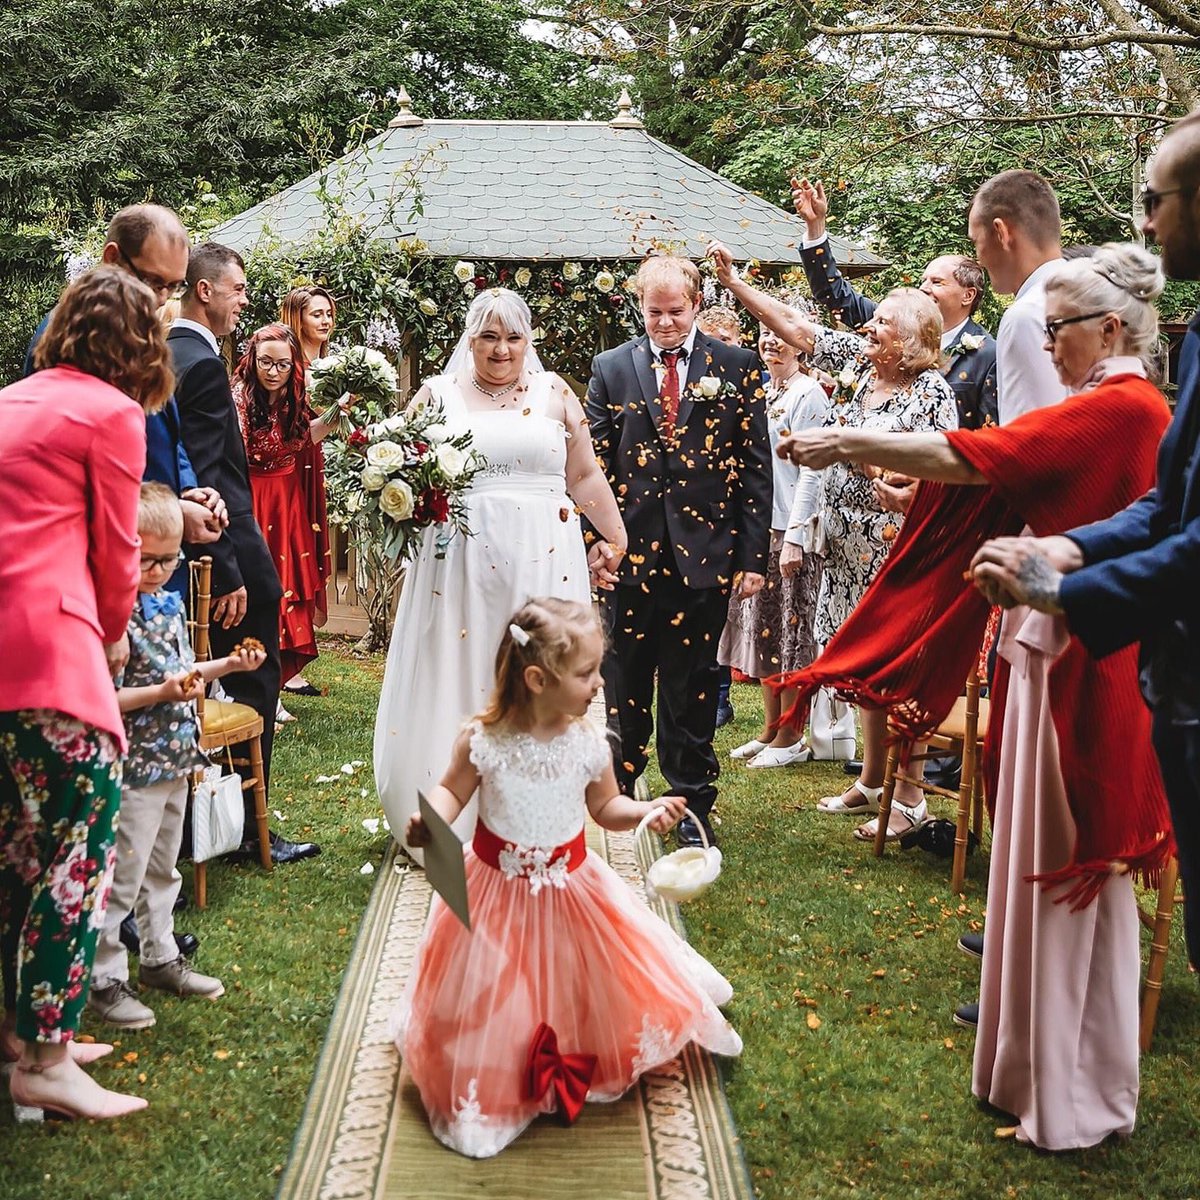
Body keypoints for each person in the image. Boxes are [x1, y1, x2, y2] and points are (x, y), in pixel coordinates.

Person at [779, 243, 1174, 1149]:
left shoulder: (1122, 407)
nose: (1046, 345)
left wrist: (843, 440)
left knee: (1069, 866)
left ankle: (1077, 1095)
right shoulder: (1105, 403)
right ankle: (1027, 1070)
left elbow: (974, 456)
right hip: (1053, 645)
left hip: (1087, 658)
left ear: (1110, 329)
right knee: (1035, 860)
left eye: (1058, 329)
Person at [971, 113, 1200, 972]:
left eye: (1156, 199)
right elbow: (1166, 505)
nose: (1145, 222)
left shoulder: (1121, 399)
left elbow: (1020, 455)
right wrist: (1069, 551)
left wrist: (1070, 586)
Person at [396, 599, 742, 1158]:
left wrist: (644, 811)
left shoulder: (589, 744)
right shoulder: (483, 740)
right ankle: (502, 1069)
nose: (599, 682)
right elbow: (451, 792)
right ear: (537, 680)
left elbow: (606, 808)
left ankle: (576, 1049)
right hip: (495, 892)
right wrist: (429, 819)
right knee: (497, 990)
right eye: (585, 673)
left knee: (579, 980)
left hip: (573, 887)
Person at [1, 266, 174, 1120]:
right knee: (76, 854)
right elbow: (117, 549)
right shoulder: (113, 413)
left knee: (15, 858)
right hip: (53, 652)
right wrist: (112, 637)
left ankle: (16, 1036)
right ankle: (48, 1059)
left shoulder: (10, 400)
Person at [709, 241, 957, 837]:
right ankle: (871, 781)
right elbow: (796, 327)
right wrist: (736, 284)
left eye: (883, 323)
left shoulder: (931, 393)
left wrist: (892, 479)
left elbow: (943, 469)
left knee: (896, 667)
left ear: (912, 341)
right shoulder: (858, 368)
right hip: (844, 550)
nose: (868, 328)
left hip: (895, 548)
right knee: (862, 666)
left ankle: (908, 800)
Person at [374, 288, 626, 862]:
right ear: (470, 339)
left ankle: (537, 814)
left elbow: (584, 474)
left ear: (528, 340)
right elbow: (406, 474)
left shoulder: (555, 391)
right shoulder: (437, 395)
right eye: (488, 336)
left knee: (541, 669)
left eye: (513, 337)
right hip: (459, 564)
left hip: (545, 557)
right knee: (459, 663)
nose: (501, 349)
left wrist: (616, 537)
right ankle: (447, 809)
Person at [587, 255, 772, 849]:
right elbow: (592, 465)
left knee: (692, 685)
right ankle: (618, 795)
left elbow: (755, 467)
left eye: (675, 311)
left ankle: (691, 804)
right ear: (640, 307)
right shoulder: (611, 368)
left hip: (706, 554)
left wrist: (752, 558)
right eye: (654, 312)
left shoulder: (737, 366)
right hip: (629, 554)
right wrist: (596, 543)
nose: (665, 323)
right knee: (623, 679)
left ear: (696, 304)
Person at [88, 484, 267, 1030]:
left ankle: (160, 957)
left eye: (170, 559)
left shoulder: (168, 603)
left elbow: (186, 674)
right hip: (135, 767)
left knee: (164, 868)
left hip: (176, 758)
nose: (161, 571)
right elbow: (104, 697)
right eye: (148, 560)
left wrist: (228, 667)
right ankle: (103, 979)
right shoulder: (112, 618)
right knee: (124, 873)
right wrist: (161, 694)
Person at [170, 242, 319, 865]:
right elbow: (209, 475)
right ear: (205, 291)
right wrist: (231, 568)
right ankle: (243, 828)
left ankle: (193, 825)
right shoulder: (203, 365)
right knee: (252, 680)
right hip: (227, 552)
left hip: (180, 552)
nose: (244, 300)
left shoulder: (166, 353)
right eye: (237, 289)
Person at [23, 204, 227, 558]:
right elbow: (66, 480)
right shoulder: (68, 338)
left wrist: (187, 488)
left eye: (174, 287)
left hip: (152, 558)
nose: (161, 299)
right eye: (153, 282)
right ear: (112, 257)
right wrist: (173, 513)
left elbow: (165, 430)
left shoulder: (143, 334)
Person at [792, 177, 998, 435]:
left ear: (968, 295)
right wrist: (815, 227)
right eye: (923, 280)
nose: (924, 288)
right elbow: (834, 295)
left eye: (936, 282)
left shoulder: (989, 356)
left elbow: (990, 435)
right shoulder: (888, 325)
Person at [722, 323, 829, 767]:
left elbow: (813, 470)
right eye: (765, 332)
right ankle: (770, 729)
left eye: (780, 333)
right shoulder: (765, 389)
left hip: (791, 528)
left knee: (792, 633)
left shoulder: (809, 395)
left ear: (800, 344)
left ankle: (792, 735)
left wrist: (796, 536)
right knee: (763, 630)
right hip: (759, 525)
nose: (771, 340)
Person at [231, 324, 338, 705]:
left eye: (282, 365)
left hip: (287, 498)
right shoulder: (240, 396)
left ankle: (273, 686)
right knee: (259, 588)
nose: (273, 372)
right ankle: (251, 685)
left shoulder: (297, 394)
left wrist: (338, 413)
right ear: (252, 360)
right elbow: (236, 451)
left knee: (287, 583)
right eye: (266, 363)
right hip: (253, 495)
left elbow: (304, 438)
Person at [279, 285, 338, 700]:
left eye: (328, 314)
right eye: (316, 313)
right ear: (296, 318)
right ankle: (285, 657)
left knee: (307, 552)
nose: (325, 320)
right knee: (290, 553)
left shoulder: (331, 365)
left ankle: (293, 657)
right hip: (288, 468)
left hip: (313, 463)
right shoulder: (289, 366)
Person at [696, 304, 746, 729]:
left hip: (733, 512)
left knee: (724, 613)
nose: (719, 347)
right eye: (712, 339)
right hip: (697, 514)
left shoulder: (746, 381)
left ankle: (721, 696)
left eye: (726, 339)